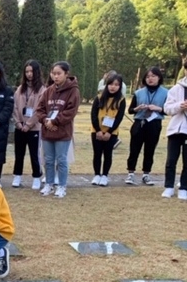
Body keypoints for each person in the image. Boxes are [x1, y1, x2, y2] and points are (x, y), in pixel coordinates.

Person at [36, 61, 80, 198]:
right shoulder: (48, 91)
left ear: (66, 74)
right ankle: (49, 184)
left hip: (62, 133)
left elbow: (70, 112)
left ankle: (61, 186)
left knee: (61, 160)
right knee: (48, 160)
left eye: (59, 73)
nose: (56, 76)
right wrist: (45, 120)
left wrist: (54, 121)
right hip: (47, 132)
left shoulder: (73, 91)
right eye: (53, 73)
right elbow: (40, 109)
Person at [124, 66, 168, 186]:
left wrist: (158, 108)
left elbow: (169, 110)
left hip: (154, 123)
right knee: (134, 149)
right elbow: (130, 110)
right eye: (148, 76)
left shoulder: (166, 93)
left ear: (159, 77)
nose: (150, 79)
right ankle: (131, 173)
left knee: (150, 149)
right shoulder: (138, 92)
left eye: (153, 76)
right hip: (139, 122)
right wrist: (137, 108)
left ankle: (146, 174)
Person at [12, 59, 46, 190]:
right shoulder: (20, 89)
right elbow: (14, 107)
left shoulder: (42, 90)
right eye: (27, 71)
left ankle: (36, 177)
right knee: (19, 153)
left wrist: (29, 124)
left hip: (34, 128)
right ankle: (17, 176)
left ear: (36, 72)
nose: (29, 74)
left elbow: (39, 110)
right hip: (20, 127)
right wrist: (18, 123)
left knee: (34, 154)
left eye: (31, 71)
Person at [90, 73, 126, 187]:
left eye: (116, 84)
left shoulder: (121, 100)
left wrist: (109, 132)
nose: (113, 87)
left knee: (108, 154)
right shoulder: (99, 97)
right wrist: (98, 130)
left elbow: (119, 118)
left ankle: (105, 175)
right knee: (97, 153)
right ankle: (97, 175)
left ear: (120, 86)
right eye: (110, 84)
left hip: (112, 132)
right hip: (96, 130)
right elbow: (93, 114)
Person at [161, 59, 187, 199]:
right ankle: (169, 186)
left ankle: (184, 187)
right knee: (171, 160)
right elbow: (167, 109)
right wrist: (179, 106)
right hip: (176, 130)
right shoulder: (176, 89)